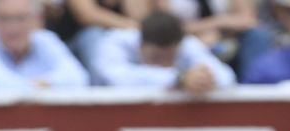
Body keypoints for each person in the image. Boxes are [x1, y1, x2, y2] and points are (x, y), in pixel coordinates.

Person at [89, 7, 238, 86]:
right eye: (157, 56)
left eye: (170, 57)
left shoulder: (186, 43)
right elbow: (117, 79)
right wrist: (178, 79)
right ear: (140, 45)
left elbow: (226, 77)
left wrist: (206, 79)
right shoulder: (114, 42)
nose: (164, 64)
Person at [0, 0, 90, 87]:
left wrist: (39, 86)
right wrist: (41, 87)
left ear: (36, 19)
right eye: (5, 18)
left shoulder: (45, 39)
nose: (13, 27)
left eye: (21, 18)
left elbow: (79, 77)